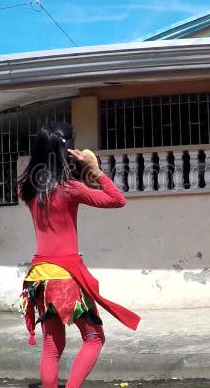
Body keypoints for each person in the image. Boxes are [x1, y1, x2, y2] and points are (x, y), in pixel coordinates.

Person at [17, 122, 140, 388]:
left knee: (52, 346)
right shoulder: (70, 189)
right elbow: (117, 199)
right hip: (66, 278)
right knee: (94, 339)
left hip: (39, 277)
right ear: (65, 149)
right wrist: (94, 170)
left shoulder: (26, 188)